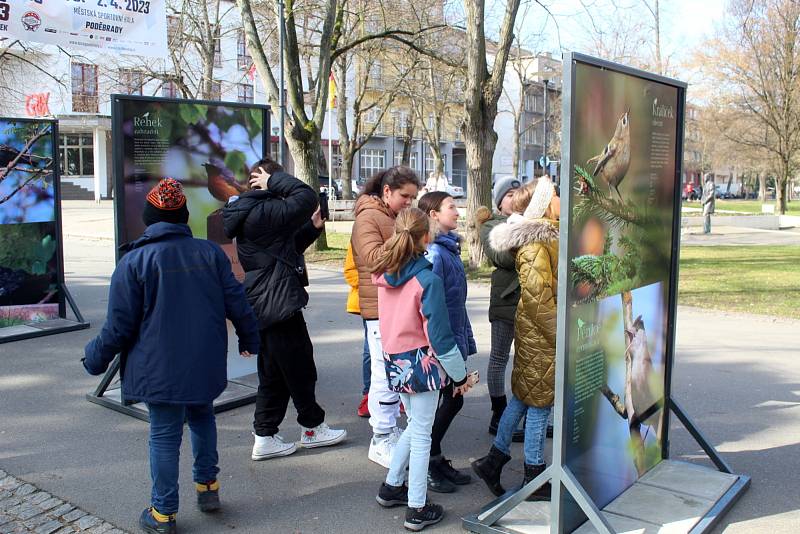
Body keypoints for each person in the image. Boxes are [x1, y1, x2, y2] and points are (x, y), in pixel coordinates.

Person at [82, 178, 261, 534]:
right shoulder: (209, 253)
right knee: (202, 417)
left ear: (150, 219)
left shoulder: (135, 261)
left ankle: (163, 514)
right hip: (204, 360)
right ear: (183, 218)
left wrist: (93, 359)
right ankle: (208, 489)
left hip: (158, 367)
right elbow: (237, 301)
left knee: (164, 435)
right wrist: (249, 338)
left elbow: (118, 327)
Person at [223, 158, 346, 461]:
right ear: (266, 180)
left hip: (268, 298)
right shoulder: (262, 209)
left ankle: (265, 435)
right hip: (276, 301)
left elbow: (282, 251)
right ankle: (312, 427)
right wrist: (273, 181)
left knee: (274, 372)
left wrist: (313, 229)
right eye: (280, 181)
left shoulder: (255, 211)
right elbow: (305, 196)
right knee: (299, 366)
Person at [372, 207, 472, 532]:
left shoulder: (385, 274)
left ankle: (391, 486)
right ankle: (417, 506)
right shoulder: (426, 279)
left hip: (396, 361)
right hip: (423, 364)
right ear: (425, 237)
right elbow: (440, 338)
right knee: (422, 435)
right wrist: (459, 375)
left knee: (415, 426)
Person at [472, 177, 560, 502]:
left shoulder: (544, 235)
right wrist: (558, 336)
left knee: (524, 397)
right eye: (555, 196)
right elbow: (538, 297)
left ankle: (493, 461)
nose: (560, 199)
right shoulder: (535, 241)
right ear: (543, 204)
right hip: (542, 332)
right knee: (539, 405)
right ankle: (534, 475)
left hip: (536, 328)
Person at [351, 165, 421, 468]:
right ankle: (381, 437)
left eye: (414, 197)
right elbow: (373, 259)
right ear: (387, 192)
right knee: (383, 373)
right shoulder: (368, 217)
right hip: (379, 309)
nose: (410, 202)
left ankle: (389, 431)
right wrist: (409, 242)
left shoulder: (389, 218)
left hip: (393, 306)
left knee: (393, 372)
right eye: (405, 196)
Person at [417, 191, 476, 493]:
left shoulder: (448, 249)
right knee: (451, 399)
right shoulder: (436, 255)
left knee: (452, 399)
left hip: (453, 337)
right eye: (451, 207)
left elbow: (455, 302)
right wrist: (438, 348)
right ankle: (428, 461)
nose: (457, 211)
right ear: (433, 215)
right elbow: (430, 305)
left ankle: (434, 456)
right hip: (441, 344)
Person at [475, 176, 525, 440]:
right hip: (506, 302)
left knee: (529, 361)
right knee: (499, 358)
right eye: (509, 195)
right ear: (499, 202)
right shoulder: (490, 226)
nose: (514, 198)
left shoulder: (531, 221)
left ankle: (528, 416)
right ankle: (499, 414)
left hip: (533, 302)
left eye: (518, 193)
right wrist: (525, 232)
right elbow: (503, 257)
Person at [344, 242, 371, 417]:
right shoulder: (361, 231)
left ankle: (398, 393)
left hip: (394, 300)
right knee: (371, 350)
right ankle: (368, 395)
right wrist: (372, 285)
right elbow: (350, 271)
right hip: (370, 302)